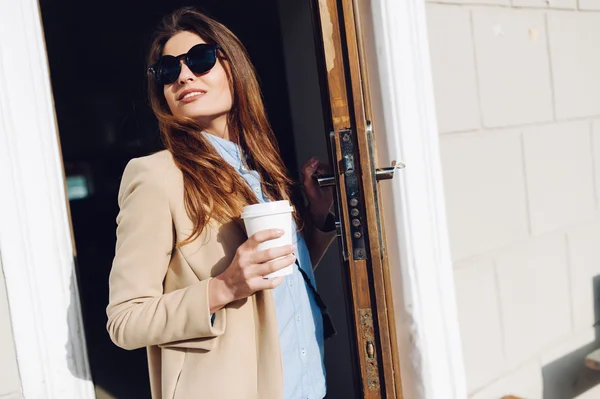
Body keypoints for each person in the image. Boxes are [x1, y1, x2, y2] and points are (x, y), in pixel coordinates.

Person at [106, 6, 336, 399]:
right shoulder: (157, 177)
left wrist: (317, 216)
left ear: (234, 67)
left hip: (305, 383)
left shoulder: (260, 167)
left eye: (200, 59)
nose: (183, 75)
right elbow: (125, 321)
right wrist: (224, 286)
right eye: (167, 71)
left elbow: (277, 280)